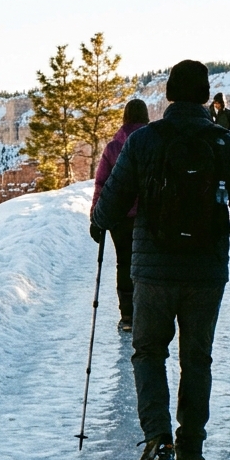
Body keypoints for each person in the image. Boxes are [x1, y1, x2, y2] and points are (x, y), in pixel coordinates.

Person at [91, 60, 230, 460]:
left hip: (153, 271)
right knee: (196, 361)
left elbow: (111, 203)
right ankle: (191, 454)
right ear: (205, 95)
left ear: (168, 93)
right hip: (206, 273)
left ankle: (156, 435)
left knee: (148, 351)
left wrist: (99, 225)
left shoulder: (144, 141)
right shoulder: (227, 144)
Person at [91, 99, 150, 332]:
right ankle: (145, 313)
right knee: (146, 264)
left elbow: (101, 184)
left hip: (119, 217)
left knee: (123, 263)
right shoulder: (153, 142)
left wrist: (96, 217)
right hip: (147, 216)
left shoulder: (113, 147)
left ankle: (127, 316)